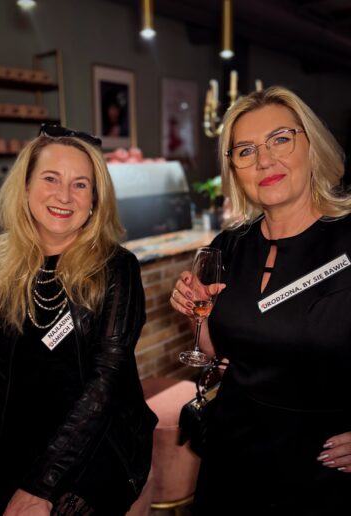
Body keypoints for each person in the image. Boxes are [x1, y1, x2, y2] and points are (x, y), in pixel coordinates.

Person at [0, 124, 157, 516]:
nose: (64, 196)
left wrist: (41, 486)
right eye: (50, 178)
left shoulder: (116, 268)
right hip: (11, 448)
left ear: (94, 199)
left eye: (80, 184)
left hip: (95, 447)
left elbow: (105, 384)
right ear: (26, 187)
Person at [170, 86, 351, 514]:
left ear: (312, 146)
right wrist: (198, 315)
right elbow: (218, 353)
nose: (264, 160)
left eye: (280, 140)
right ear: (234, 168)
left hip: (322, 468)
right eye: (246, 150)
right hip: (231, 458)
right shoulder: (228, 246)